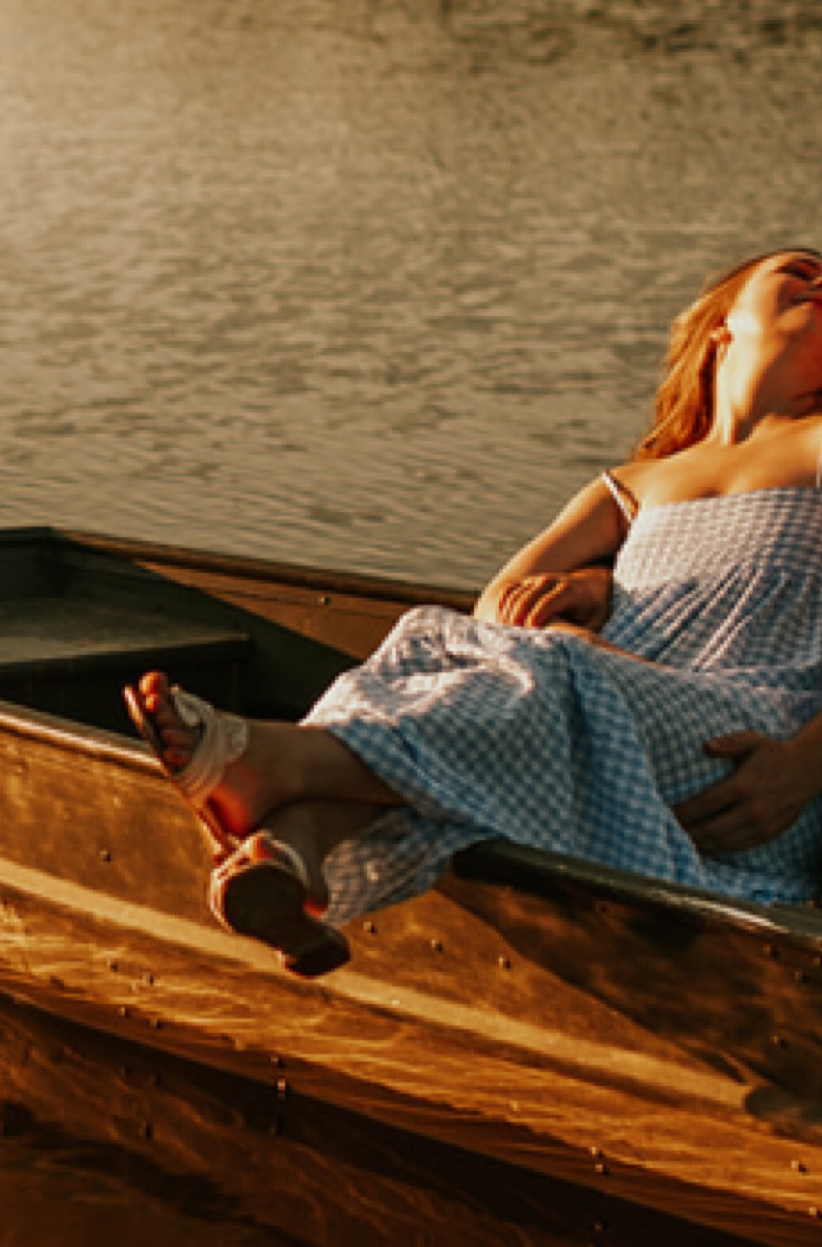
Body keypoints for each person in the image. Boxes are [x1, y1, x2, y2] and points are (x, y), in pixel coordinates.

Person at [127, 247, 822, 977]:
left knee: (537, 682)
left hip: (746, 748)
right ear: (721, 325)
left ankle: (274, 761)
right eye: (798, 270)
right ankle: (291, 853)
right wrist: (593, 599)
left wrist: (804, 767)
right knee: (432, 639)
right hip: (609, 707)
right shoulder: (638, 482)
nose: (820, 281)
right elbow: (500, 601)